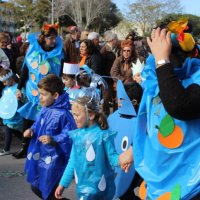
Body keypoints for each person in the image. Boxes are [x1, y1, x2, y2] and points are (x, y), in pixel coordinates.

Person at [120, 18, 200, 199]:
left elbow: (179, 106)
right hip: (158, 180)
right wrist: (135, 149)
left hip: (191, 184)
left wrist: (163, 61)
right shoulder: (157, 77)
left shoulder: (194, 77)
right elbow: (153, 119)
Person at [55, 95, 121, 199]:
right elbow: (73, 161)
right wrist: (62, 184)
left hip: (101, 189)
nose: (74, 118)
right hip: (83, 188)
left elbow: (113, 158)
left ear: (91, 115)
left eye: (77, 115)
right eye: (73, 115)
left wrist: (125, 159)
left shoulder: (103, 135)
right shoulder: (77, 135)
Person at [13, 23, 63, 159]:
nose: (54, 41)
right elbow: (25, 70)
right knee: (27, 119)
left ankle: (44, 148)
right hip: (32, 92)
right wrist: (19, 88)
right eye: (51, 38)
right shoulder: (32, 50)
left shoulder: (58, 53)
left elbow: (60, 73)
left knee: (46, 121)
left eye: (55, 38)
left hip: (49, 93)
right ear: (44, 38)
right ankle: (25, 147)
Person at [24, 74, 76, 200]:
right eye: (40, 93)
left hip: (55, 161)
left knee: (49, 191)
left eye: (43, 94)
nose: (40, 97)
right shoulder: (45, 108)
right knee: (37, 186)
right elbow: (38, 123)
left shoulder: (64, 114)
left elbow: (69, 135)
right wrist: (31, 129)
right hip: (42, 156)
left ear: (55, 95)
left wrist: (54, 139)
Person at [0, 68, 23, 156]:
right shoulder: (5, 89)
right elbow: (4, 101)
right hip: (8, 116)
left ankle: (27, 143)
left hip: (17, 115)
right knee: (9, 129)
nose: (4, 84)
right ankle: (6, 148)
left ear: (11, 79)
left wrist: (20, 98)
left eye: (5, 81)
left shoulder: (18, 87)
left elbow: (23, 99)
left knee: (18, 131)